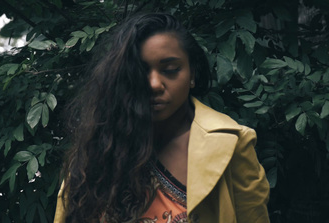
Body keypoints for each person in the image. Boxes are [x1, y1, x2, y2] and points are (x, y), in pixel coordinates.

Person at [54, 13, 270, 223]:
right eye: (140, 72)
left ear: (192, 73)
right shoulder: (97, 148)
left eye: (170, 70)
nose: (154, 84)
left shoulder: (231, 144)